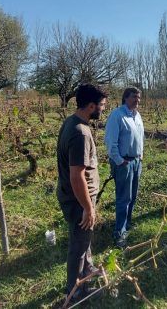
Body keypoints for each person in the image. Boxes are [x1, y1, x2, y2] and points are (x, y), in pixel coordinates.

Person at [56, 83, 108, 303]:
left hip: (76, 196)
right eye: (102, 105)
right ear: (90, 106)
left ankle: (88, 272)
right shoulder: (80, 133)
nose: (103, 109)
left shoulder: (72, 122)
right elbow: (77, 175)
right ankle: (74, 291)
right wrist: (88, 208)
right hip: (79, 200)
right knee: (78, 245)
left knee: (84, 240)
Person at [104, 87, 144, 248]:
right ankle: (119, 232)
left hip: (136, 162)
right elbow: (110, 141)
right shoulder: (117, 115)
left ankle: (127, 224)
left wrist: (141, 155)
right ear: (125, 98)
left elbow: (141, 137)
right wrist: (119, 161)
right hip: (124, 163)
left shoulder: (137, 115)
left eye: (139, 97)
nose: (137, 100)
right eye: (134, 97)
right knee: (123, 198)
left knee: (133, 196)